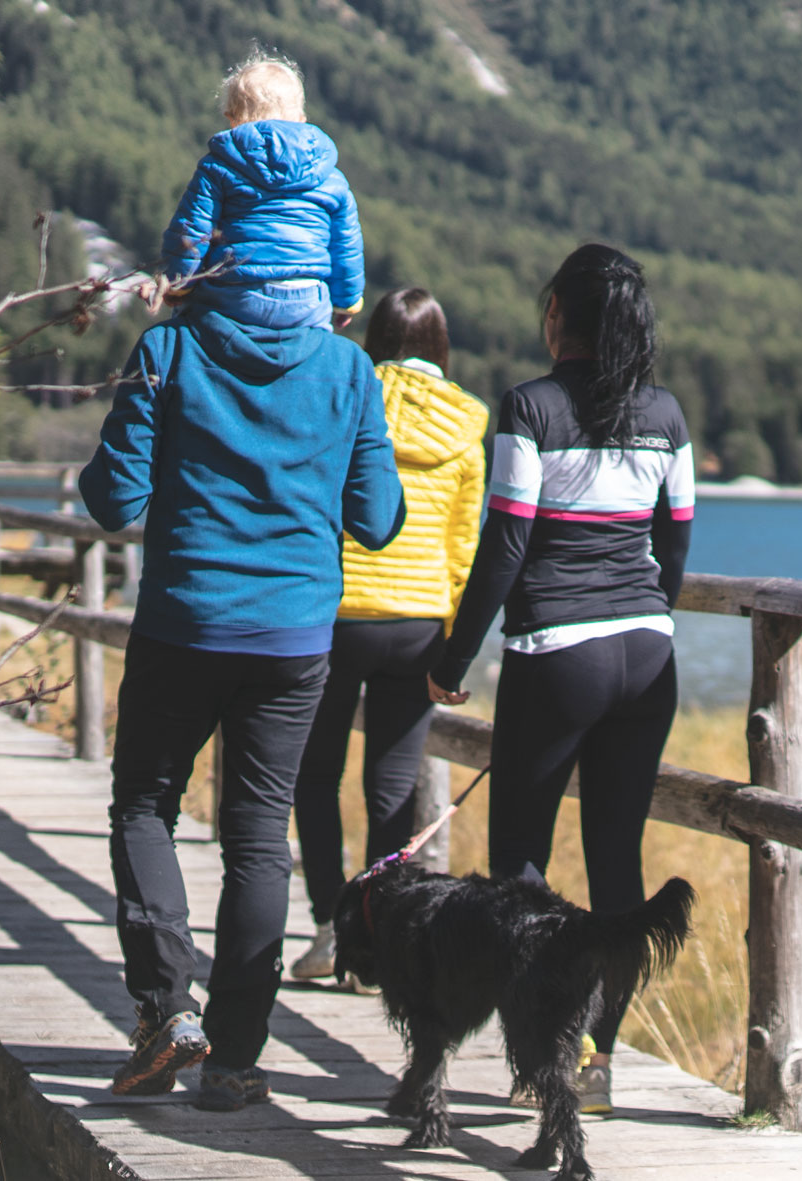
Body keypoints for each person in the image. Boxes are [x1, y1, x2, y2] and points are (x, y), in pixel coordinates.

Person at [80, 274, 404, 1110]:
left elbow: (113, 499)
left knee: (145, 806)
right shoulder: (348, 367)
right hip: (293, 636)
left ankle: (165, 1009)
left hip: (184, 623)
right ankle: (233, 1061)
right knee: (259, 837)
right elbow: (376, 518)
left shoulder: (169, 348)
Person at [426, 244, 694, 1114]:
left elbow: (505, 543)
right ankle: (597, 1057)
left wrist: (453, 658)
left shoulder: (529, 407)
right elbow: (675, 541)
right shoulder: (667, 416)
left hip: (558, 656)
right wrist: (651, 613)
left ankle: (543, 1048)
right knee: (618, 862)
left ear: (558, 318)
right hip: (648, 657)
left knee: (522, 870)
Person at [289, 289, 488, 981]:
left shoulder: (341, 393)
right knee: (391, 792)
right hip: (416, 625)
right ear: (441, 346)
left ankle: (325, 930)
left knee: (314, 778)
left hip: (334, 615)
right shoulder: (465, 425)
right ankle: (375, 944)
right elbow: (466, 549)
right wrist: (457, 648)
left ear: (375, 336)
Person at [157, 52, 363, 331]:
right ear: (301, 118)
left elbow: (191, 231)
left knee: (186, 322)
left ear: (232, 119)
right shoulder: (331, 178)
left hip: (236, 297)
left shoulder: (218, 167)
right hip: (307, 302)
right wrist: (345, 302)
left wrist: (177, 285)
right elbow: (346, 245)